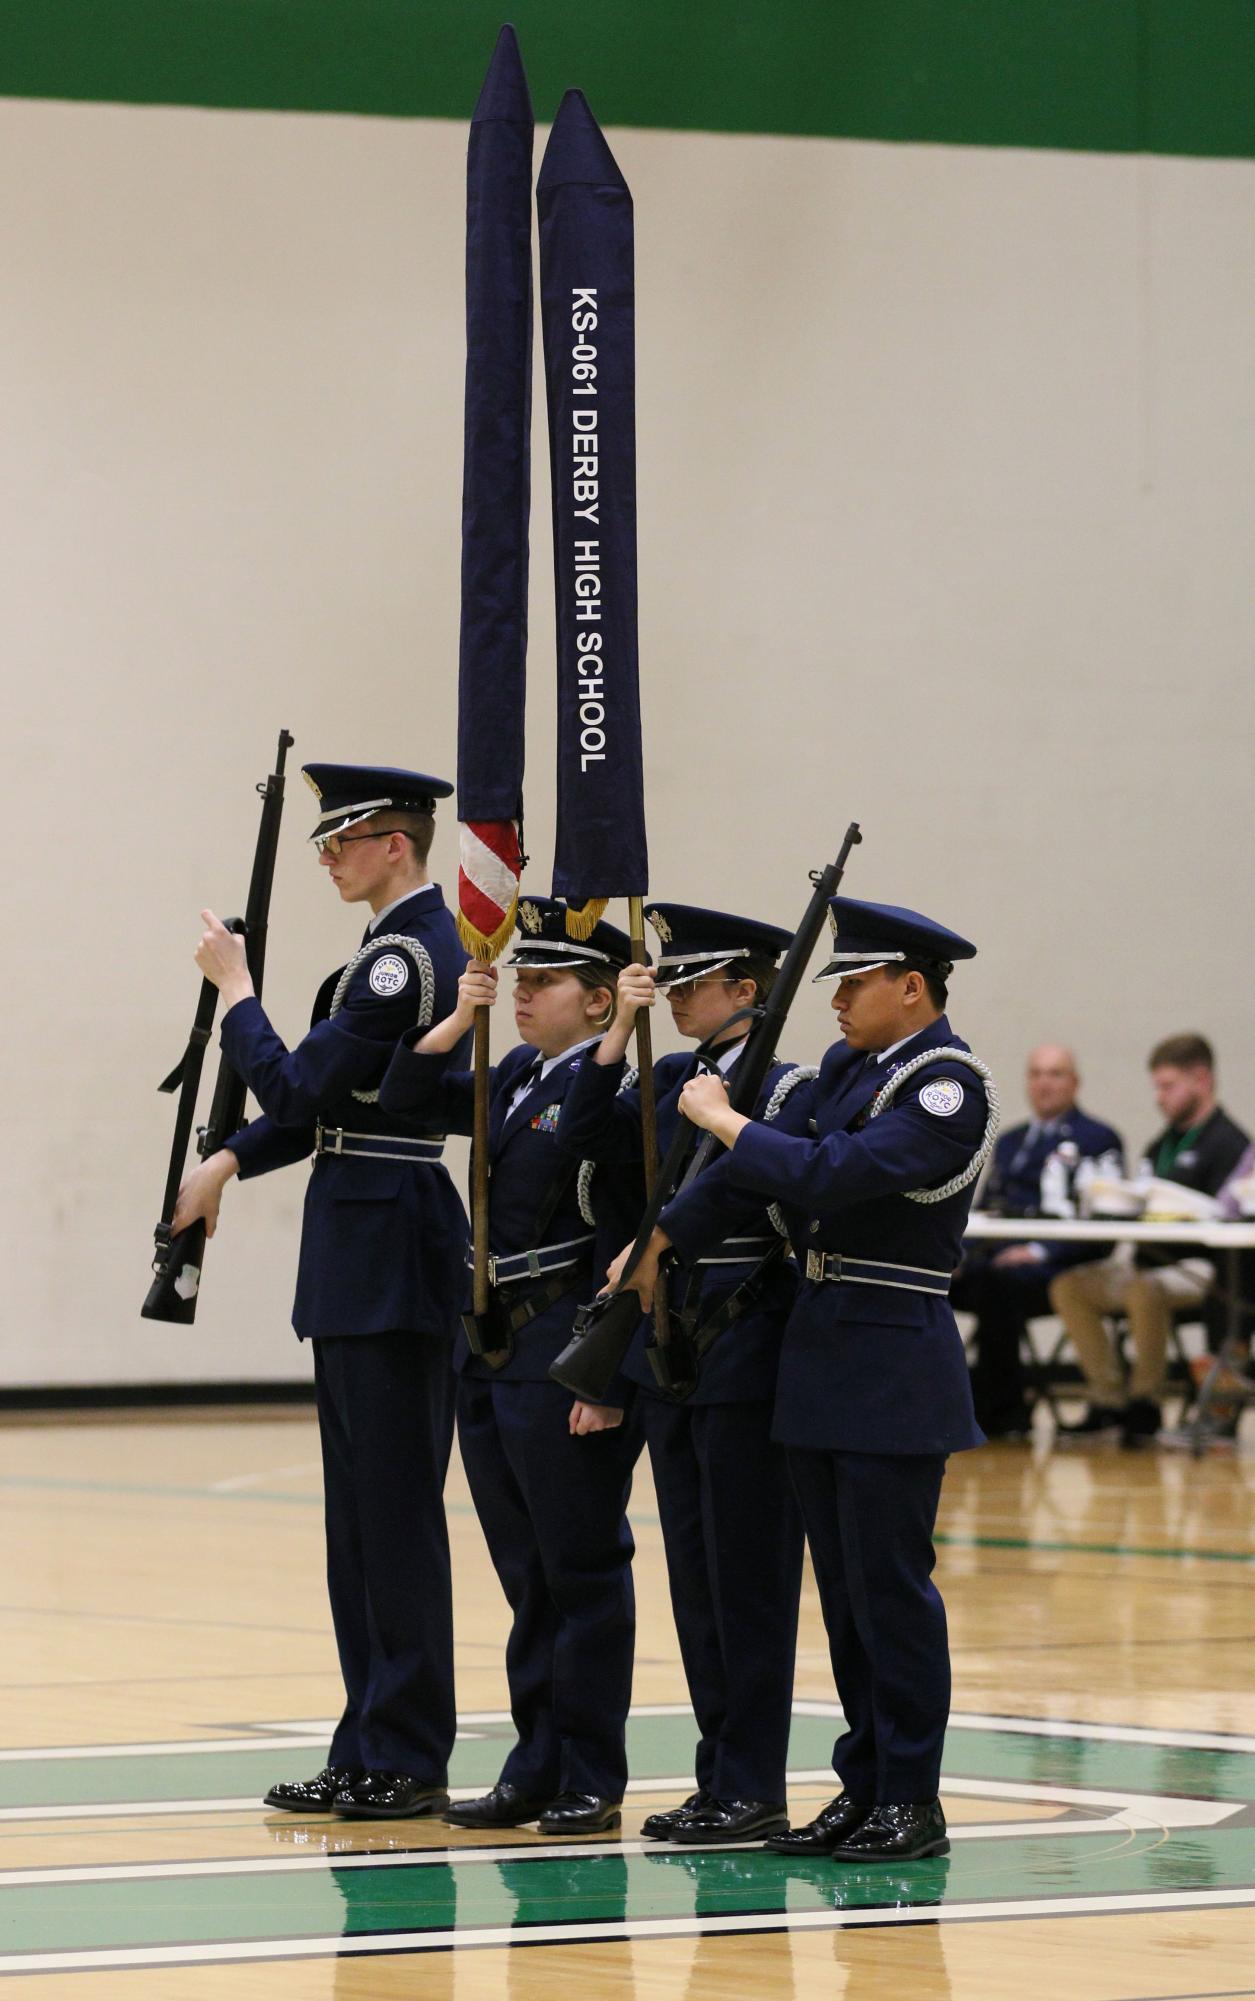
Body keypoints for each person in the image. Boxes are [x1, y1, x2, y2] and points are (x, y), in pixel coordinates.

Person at [608, 896, 992, 1864]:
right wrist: (657, 1242)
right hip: (820, 1350)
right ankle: (861, 1787)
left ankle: (910, 1796)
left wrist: (726, 1119)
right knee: (847, 1598)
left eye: (855, 983)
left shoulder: (948, 1085)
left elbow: (828, 1175)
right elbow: (749, 1179)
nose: (837, 1000)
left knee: (892, 1594)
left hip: (890, 1356)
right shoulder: (845, 1070)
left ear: (912, 988)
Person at [172, 762, 470, 1820]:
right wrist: (230, 1163)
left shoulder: (408, 958)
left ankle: (408, 1750)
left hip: (391, 1246)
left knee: (391, 1519)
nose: (328, 860)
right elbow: (308, 1113)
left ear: (397, 843)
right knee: (358, 1523)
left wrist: (239, 995)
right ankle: (368, 1737)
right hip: (361, 1245)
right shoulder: (386, 953)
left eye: (342, 842)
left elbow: (301, 1083)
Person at [378, 897, 645, 1837]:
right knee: (524, 1573)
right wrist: (461, 1013)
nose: (523, 994)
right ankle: (536, 1761)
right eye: (518, 978)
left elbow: (620, 1221)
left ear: (603, 1000)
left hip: (568, 1344)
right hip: (493, 1346)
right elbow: (403, 1095)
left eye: (544, 983)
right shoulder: (519, 1072)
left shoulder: (616, 1093)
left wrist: (608, 1380)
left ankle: (592, 1772)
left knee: (580, 1569)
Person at [554, 903, 806, 1846]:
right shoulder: (669, 1074)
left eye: (692, 982)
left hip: (743, 1346)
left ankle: (755, 1782)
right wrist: (617, 1027)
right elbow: (587, 1133)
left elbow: (742, 1184)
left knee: (748, 1583)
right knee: (696, 1584)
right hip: (671, 1353)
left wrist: (656, 1237)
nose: (677, 993)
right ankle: (718, 1779)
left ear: (747, 989)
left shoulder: (782, 1090)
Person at [1052, 1033, 1249, 1447]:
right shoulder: (1164, 1142)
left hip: (1197, 1269)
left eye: (1168, 1085)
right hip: (1144, 1258)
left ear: (1201, 1079)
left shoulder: (1229, 1142)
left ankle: (1147, 1402)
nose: (1159, 1097)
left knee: (1146, 1289)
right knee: (1070, 1287)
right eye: (1156, 1086)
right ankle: (1109, 1401)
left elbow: (1226, 1219)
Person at [953, 1045, 1122, 1436]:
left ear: (1075, 1083)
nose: (1044, 1083)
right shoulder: (1010, 1140)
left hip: (1055, 1268)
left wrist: (1038, 1251)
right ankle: (942, 1399)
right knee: (939, 1282)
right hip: (992, 1260)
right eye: (1037, 1074)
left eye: (1055, 1073)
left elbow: (1102, 1222)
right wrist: (955, 1255)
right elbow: (985, 1209)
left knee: (996, 1287)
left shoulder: (1097, 1138)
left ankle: (1003, 1408)